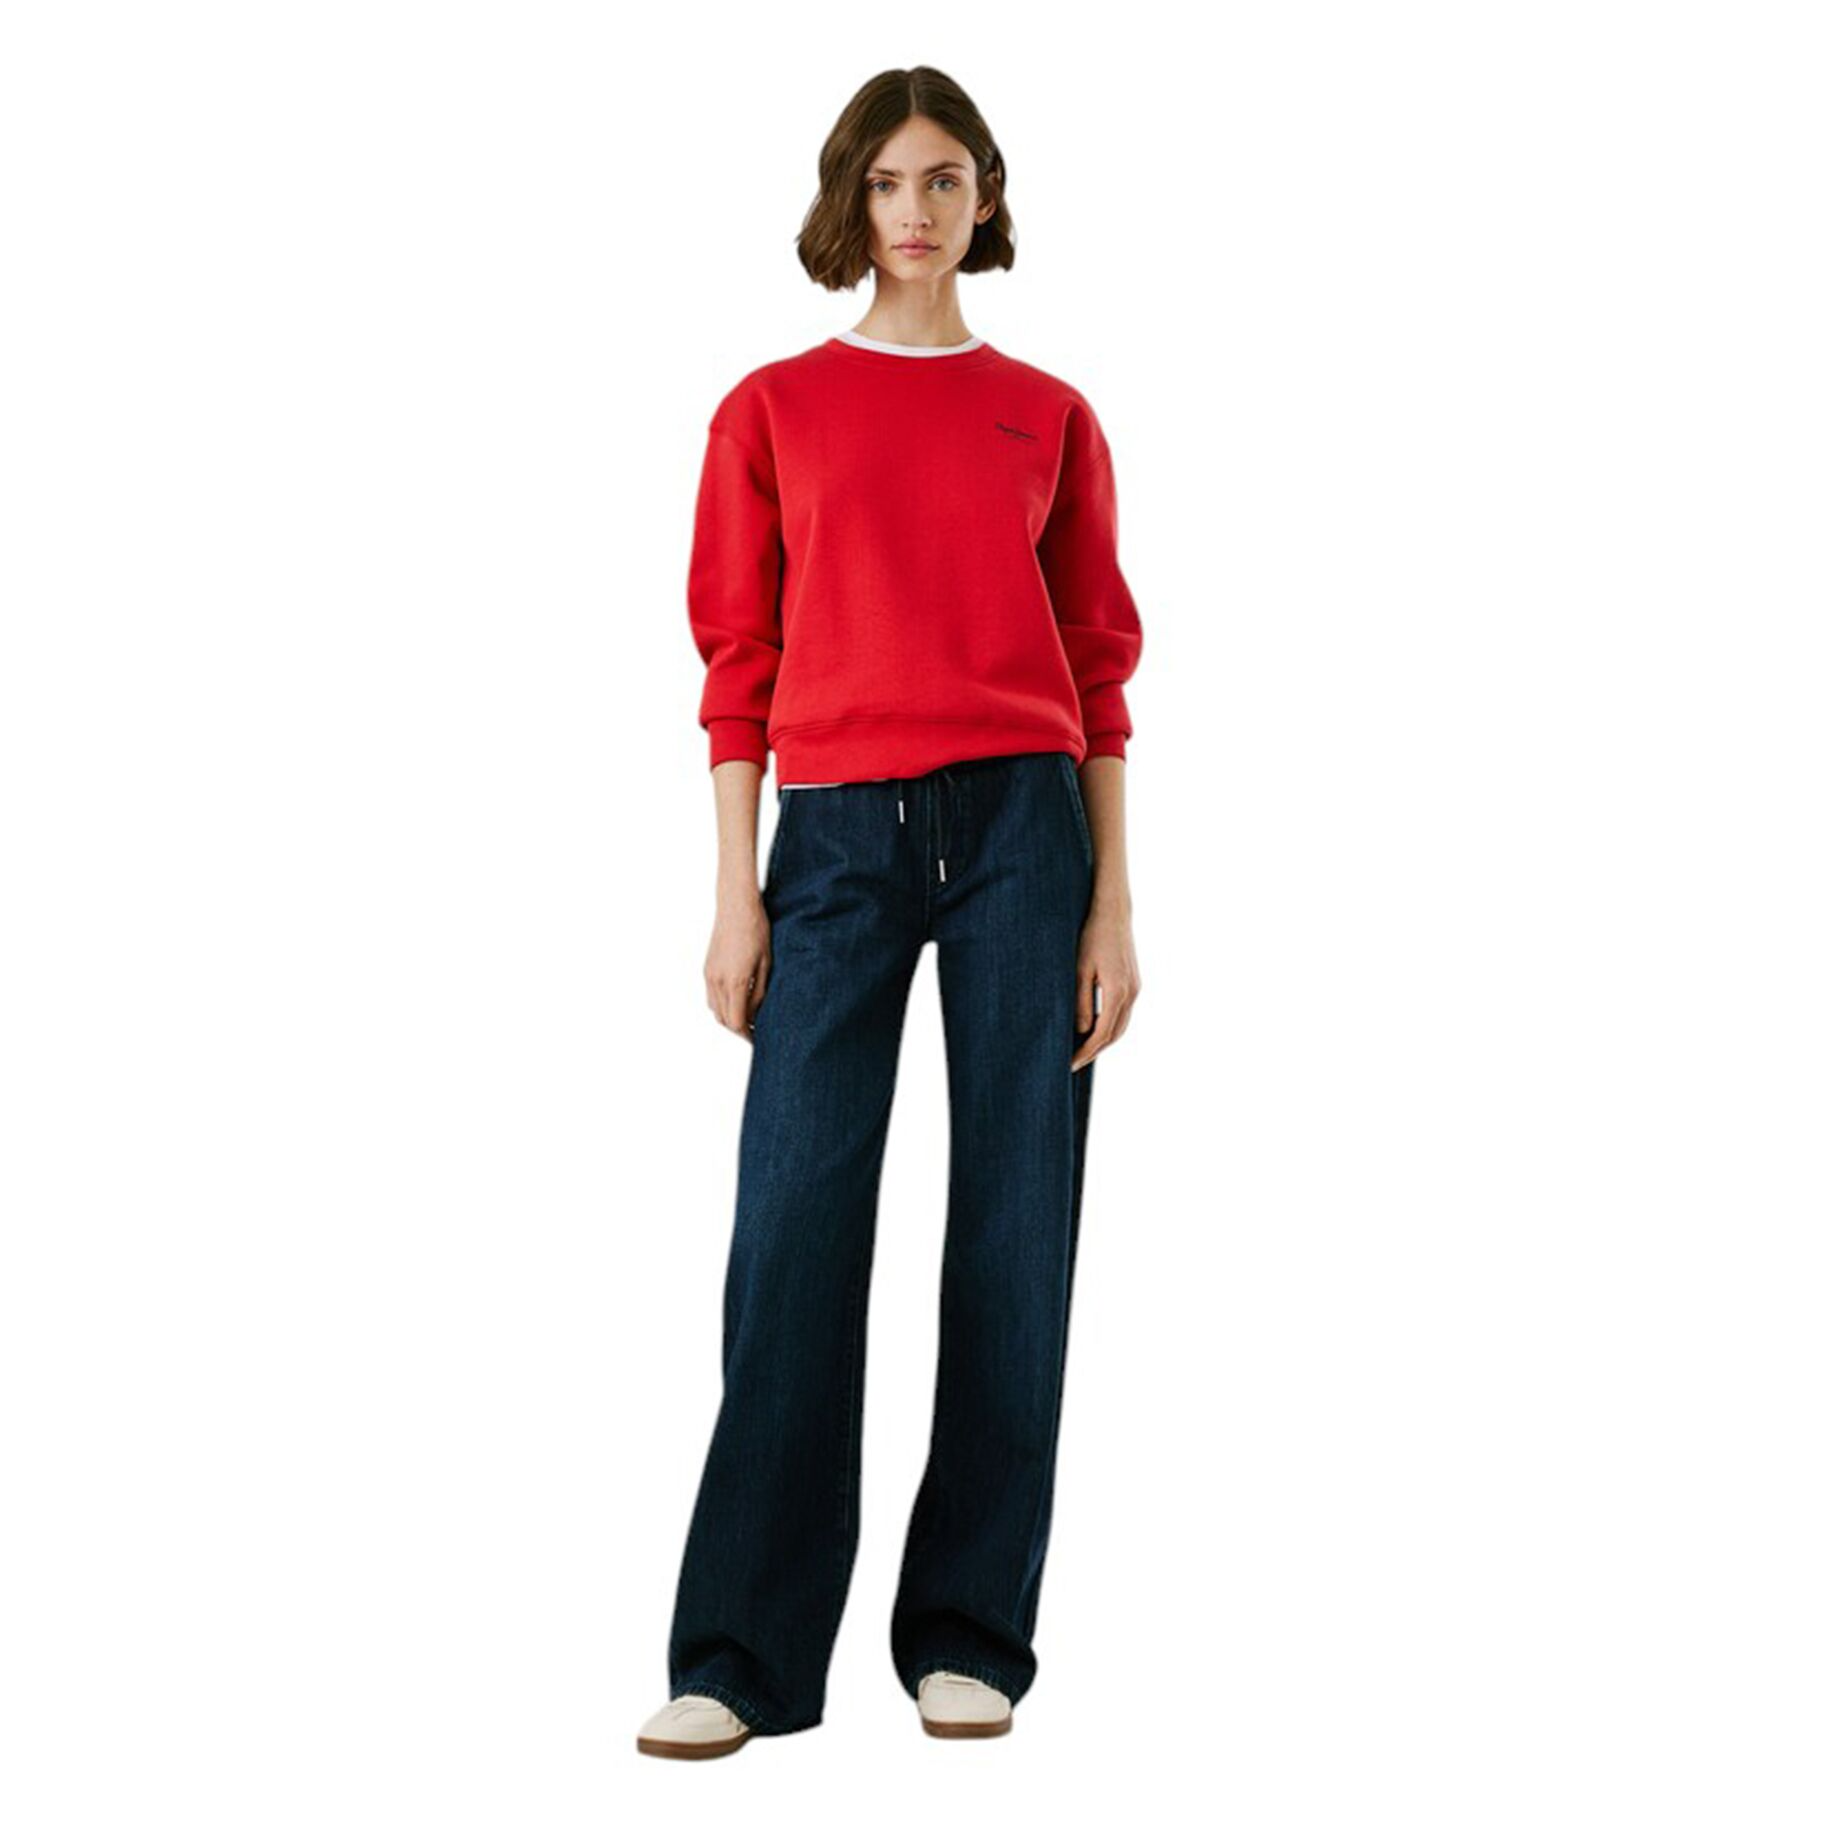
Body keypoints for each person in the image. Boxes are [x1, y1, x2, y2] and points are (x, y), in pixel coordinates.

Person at [638, 66, 1144, 1760]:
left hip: (1024, 831)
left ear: (985, 198)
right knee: (793, 1228)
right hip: (836, 837)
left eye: (943, 181)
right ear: (848, 199)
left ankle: (970, 1634)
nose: (914, 213)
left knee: (1015, 1228)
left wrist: (1113, 904)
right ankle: (741, 1656)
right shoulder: (771, 409)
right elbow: (739, 665)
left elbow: (1099, 673)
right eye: (885, 183)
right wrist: (736, 891)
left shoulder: (1049, 416)